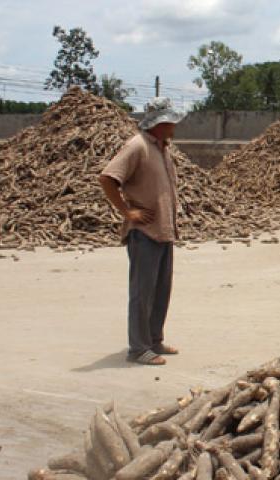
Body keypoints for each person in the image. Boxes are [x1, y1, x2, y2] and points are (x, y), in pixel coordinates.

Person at [98, 97, 185, 365]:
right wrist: (127, 212)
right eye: (170, 121)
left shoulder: (161, 148)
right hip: (144, 233)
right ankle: (138, 348)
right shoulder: (137, 147)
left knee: (160, 290)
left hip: (163, 230)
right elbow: (107, 178)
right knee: (142, 293)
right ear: (160, 123)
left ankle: (154, 340)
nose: (174, 126)